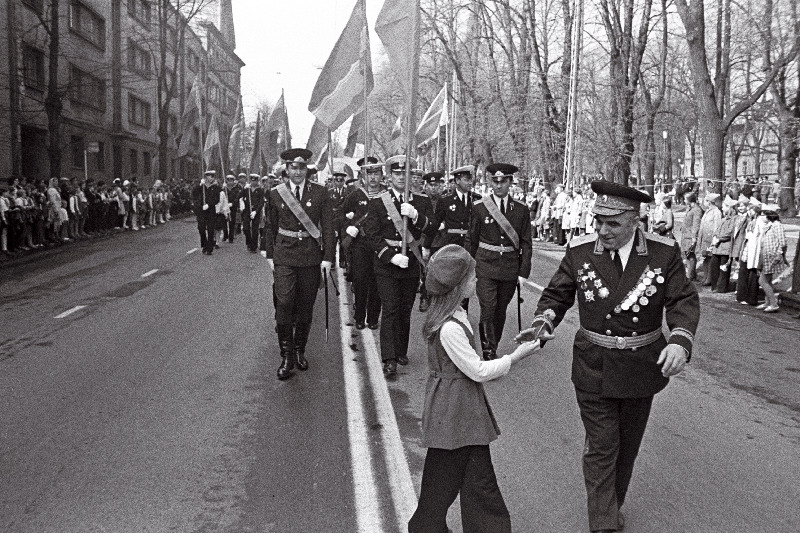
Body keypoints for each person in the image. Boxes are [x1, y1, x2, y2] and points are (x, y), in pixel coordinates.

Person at [516, 180, 700, 533]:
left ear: (635, 220)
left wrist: (679, 340)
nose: (602, 230)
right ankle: (603, 523)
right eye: (598, 220)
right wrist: (543, 321)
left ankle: (611, 505)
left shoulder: (663, 253)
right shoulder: (581, 250)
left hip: (641, 366)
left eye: (612, 223)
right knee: (602, 447)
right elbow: (557, 294)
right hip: (593, 364)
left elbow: (682, 301)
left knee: (626, 448)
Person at [407, 244, 544, 533]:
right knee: (449, 487)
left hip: (459, 411)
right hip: (455, 413)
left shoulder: (453, 316)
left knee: (476, 483)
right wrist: (517, 355)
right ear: (457, 286)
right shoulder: (450, 328)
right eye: (471, 278)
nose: (477, 281)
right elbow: (479, 371)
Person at [264, 148, 335, 380]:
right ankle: (285, 355)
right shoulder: (275, 194)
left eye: (302, 167)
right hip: (285, 254)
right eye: (293, 167)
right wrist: (270, 256)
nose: (297, 171)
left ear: (308, 169)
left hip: (310, 256)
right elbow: (270, 226)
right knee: (284, 302)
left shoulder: (321, 192)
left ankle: (299, 350)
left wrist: (328, 258)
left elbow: (328, 227)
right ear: (286, 168)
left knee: (305, 305)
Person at [362, 154, 435, 377]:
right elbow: (371, 235)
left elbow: (431, 229)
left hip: (411, 262)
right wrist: (390, 257)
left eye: (405, 173)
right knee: (390, 309)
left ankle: (401, 350)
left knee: (405, 309)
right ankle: (389, 358)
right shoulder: (378, 202)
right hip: (387, 264)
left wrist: (415, 216)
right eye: (396, 173)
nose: (401, 177)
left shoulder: (420, 201)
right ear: (389, 176)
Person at [465, 163, 532, 361]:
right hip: (485, 265)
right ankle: (488, 350)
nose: (499, 185)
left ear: (510, 182)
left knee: (500, 309)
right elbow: (472, 239)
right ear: (489, 182)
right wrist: (467, 267)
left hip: (509, 268)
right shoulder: (479, 208)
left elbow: (526, 243)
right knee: (488, 307)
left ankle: (493, 343)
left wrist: (523, 272)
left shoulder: (521, 210)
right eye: (495, 181)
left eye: (503, 181)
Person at [341, 156, 384, 330]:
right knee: (360, 281)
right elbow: (342, 216)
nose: (373, 177)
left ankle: (373, 317)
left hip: (380, 244)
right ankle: (359, 316)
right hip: (360, 243)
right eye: (369, 173)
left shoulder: (386, 195)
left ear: (381, 175)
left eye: (376, 173)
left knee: (377, 282)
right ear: (363, 175)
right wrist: (348, 227)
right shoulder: (355, 195)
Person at [756, 205, 787, 313]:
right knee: (767, 281)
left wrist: (778, 254)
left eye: (764, 215)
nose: (762, 217)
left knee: (762, 281)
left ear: (770, 215)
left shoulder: (777, 225)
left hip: (772, 257)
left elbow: (782, 242)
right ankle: (768, 302)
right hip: (766, 256)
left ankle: (773, 304)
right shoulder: (770, 225)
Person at [736, 198, 763, 306]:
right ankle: (742, 295)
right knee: (743, 272)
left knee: (752, 274)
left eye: (751, 209)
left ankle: (751, 297)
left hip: (754, 250)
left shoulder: (760, 221)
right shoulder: (751, 220)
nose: (749, 211)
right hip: (747, 249)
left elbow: (760, 237)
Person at [191, 170, 221, 255]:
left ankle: (209, 248)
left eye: (212, 176)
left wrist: (209, 204)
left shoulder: (215, 187)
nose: (211, 178)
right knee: (201, 228)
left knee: (211, 230)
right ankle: (204, 244)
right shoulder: (201, 187)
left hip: (211, 211)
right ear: (206, 177)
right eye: (209, 176)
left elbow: (217, 199)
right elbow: (194, 194)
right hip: (201, 211)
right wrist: (199, 185)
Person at [679, 191, 703, 280]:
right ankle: (690, 273)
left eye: (685, 199)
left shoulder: (696, 210)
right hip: (686, 235)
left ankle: (691, 275)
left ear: (689, 200)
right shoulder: (690, 208)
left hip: (690, 236)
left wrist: (694, 237)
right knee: (687, 254)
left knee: (691, 255)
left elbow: (696, 224)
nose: (684, 201)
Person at [240, 174, 264, 253]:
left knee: (255, 229)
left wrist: (256, 211)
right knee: (246, 228)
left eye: (255, 180)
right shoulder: (247, 189)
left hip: (255, 211)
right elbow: (239, 196)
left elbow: (261, 202)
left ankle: (254, 247)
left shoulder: (260, 190)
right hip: (247, 210)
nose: (253, 182)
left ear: (257, 181)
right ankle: (249, 242)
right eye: (252, 180)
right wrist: (243, 189)